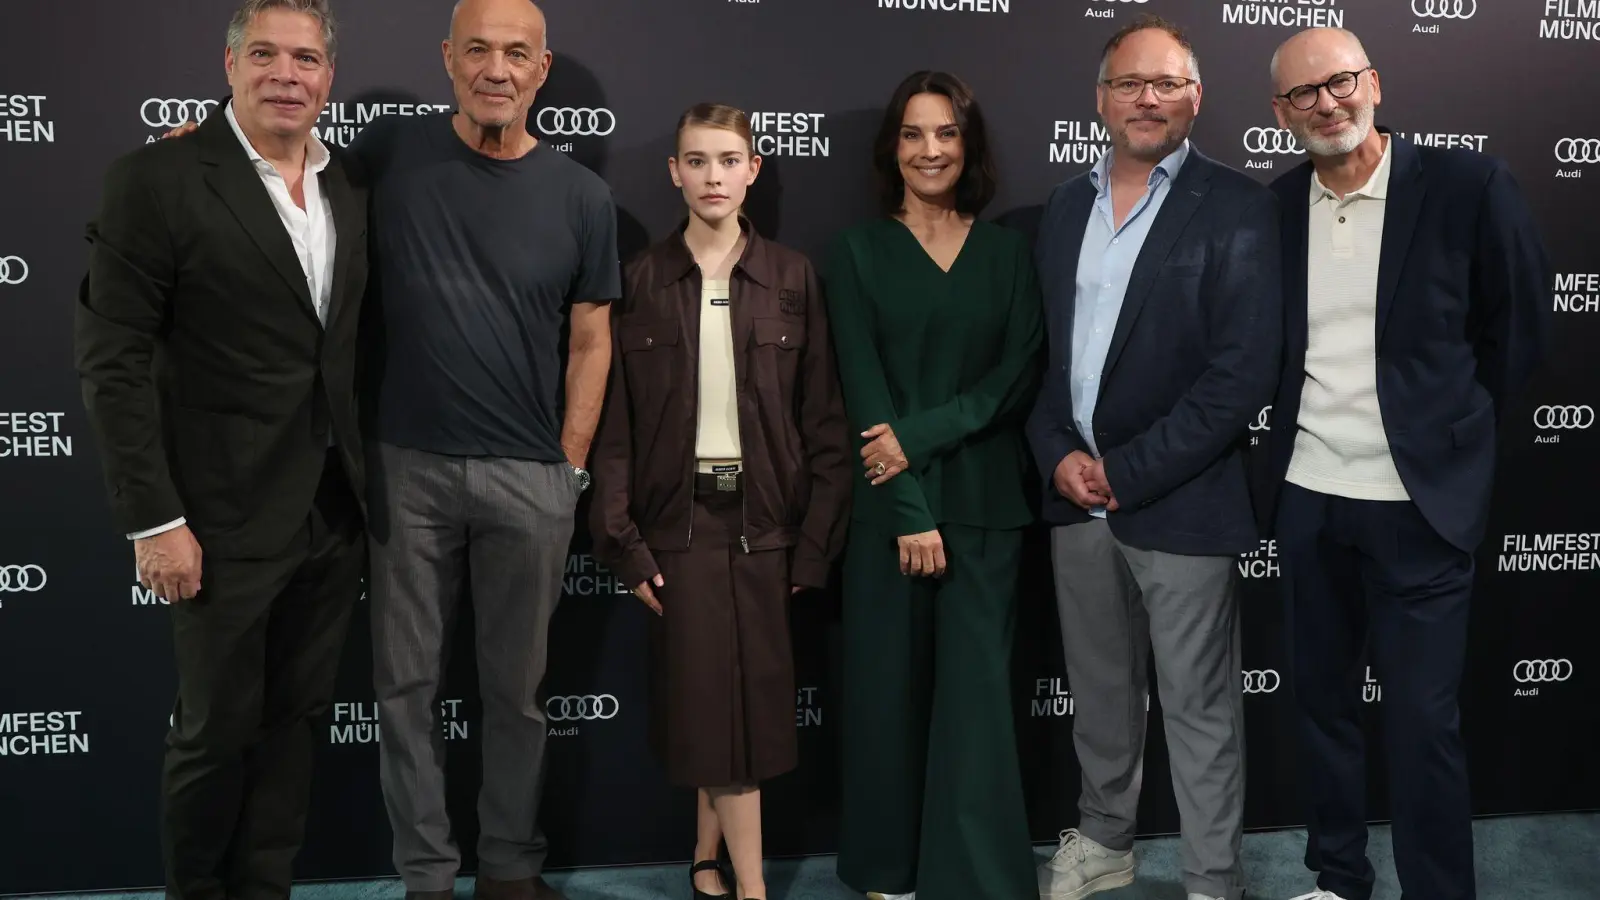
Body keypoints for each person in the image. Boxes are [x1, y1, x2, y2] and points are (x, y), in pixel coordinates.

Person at [73, 1, 369, 898]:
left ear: (328, 76)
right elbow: (112, 363)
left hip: (330, 511)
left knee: (296, 725)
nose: (289, 74)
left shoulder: (346, 184)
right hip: (212, 519)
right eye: (268, 55)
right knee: (213, 736)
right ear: (230, 62)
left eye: (307, 59)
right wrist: (155, 520)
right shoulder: (156, 178)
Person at [1262, 28, 1550, 900]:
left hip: (1420, 506)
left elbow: (1519, 334)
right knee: (1321, 710)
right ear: (1279, 114)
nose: (1327, 104)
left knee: (1423, 725)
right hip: (1309, 498)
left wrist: (1446, 438)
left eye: (1341, 82)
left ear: (1375, 83)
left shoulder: (1469, 185)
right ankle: (1339, 877)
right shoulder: (1275, 208)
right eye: (1303, 95)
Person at [352, 1, 618, 898]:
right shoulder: (388, 155)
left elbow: (591, 341)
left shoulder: (582, 196)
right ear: (448, 60)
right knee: (405, 694)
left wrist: (568, 466)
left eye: (516, 53)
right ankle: (426, 876)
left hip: (528, 480)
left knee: (516, 697)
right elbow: (282, 181)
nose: (495, 69)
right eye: (478, 50)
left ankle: (510, 869)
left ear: (542, 68)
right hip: (406, 471)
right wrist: (203, 147)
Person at [1024, 15, 1282, 900]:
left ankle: (1213, 879)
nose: (1147, 98)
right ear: (1100, 100)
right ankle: (1105, 841)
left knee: (1200, 710)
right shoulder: (1063, 206)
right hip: (1074, 498)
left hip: (1181, 499)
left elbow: (1239, 372)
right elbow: (1046, 353)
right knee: (1099, 697)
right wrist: (1058, 452)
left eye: (1166, 83)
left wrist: (1127, 471)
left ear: (1196, 97)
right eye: (1130, 83)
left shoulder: (1242, 206)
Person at [589, 103, 852, 900]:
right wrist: (624, 543)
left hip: (767, 529)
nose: (712, 176)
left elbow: (826, 424)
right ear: (674, 172)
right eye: (696, 161)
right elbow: (614, 433)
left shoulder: (794, 276)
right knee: (713, 707)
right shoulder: (637, 281)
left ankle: (704, 857)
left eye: (727, 160)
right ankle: (753, 887)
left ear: (753, 170)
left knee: (745, 711)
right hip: (680, 530)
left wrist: (814, 544)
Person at [824, 71, 1044, 900]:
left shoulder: (1008, 253)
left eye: (946, 133)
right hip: (892, 515)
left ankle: (975, 878)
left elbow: (1014, 378)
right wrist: (911, 509)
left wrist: (921, 433)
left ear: (969, 144)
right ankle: (887, 866)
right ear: (892, 148)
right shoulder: (855, 251)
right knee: (887, 697)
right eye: (913, 134)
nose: (930, 150)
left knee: (977, 706)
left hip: (988, 507)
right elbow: (863, 390)